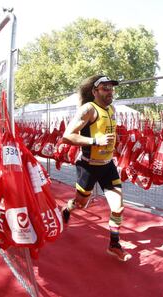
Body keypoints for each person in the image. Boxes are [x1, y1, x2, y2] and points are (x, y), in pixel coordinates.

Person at [61, 74, 132, 262]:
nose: (110, 92)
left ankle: (114, 244)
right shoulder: (88, 109)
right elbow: (67, 136)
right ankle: (68, 209)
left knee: (118, 207)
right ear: (95, 91)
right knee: (81, 204)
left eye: (112, 88)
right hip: (88, 167)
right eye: (105, 88)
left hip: (108, 166)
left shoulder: (112, 109)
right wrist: (95, 141)